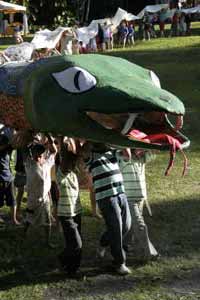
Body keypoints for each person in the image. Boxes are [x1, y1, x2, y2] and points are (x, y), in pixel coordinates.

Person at [81, 142, 132, 275]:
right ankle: (119, 263)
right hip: (106, 197)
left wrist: (122, 139)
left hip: (121, 193)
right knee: (116, 229)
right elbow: (84, 150)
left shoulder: (112, 151)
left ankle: (103, 243)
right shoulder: (91, 156)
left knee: (126, 226)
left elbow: (127, 155)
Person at [117, 149, 159, 262]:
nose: (140, 151)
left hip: (140, 197)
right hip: (128, 198)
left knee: (130, 225)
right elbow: (125, 154)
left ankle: (124, 246)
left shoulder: (142, 158)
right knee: (140, 225)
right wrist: (131, 149)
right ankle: (150, 252)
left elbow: (155, 151)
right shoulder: (123, 157)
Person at [24, 134, 57, 247]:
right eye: (35, 155)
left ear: (43, 155)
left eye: (40, 155)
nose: (38, 158)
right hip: (32, 199)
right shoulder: (29, 164)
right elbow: (24, 148)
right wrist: (29, 135)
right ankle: (24, 232)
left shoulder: (47, 164)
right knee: (29, 218)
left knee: (47, 222)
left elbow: (54, 151)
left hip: (45, 199)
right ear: (32, 155)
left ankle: (47, 242)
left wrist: (50, 138)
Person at [56, 137, 82, 276]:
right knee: (77, 244)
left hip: (77, 212)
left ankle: (69, 264)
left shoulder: (73, 173)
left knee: (72, 243)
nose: (72, 164)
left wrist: (76, 138)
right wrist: (62, 138)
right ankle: (71, 270)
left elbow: (77, 155)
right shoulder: (60, 173)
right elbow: (64, 156)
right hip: (66, 214)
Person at [0, 133, 19, 225]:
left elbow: (15, 142)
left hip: (9, 178)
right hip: (1, 179)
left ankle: (14, 219)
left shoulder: (8, 149)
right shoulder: (6, 149)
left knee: (12, 200)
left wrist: (18, 132)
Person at [14, 148, 27, 220]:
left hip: (30, 168)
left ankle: (29, 211)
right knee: (20, 191)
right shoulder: (20, 143)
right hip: (21, 169)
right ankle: (17, 211)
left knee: (31, 192)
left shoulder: (34, 141)